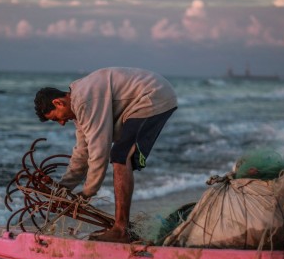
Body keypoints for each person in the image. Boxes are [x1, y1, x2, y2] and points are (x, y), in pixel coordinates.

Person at [34, 67, 177, 242]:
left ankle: (121, 230)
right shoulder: (79, 107)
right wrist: (63, 188)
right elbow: (82, 151)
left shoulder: (85, 100)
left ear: (58, 103)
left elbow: (99, 148)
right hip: (143, 99)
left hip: (152, 95)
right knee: (121, 155)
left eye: (57, 119)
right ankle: (122, 228)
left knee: (120, 156)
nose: (62, 123)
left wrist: (87, 192)